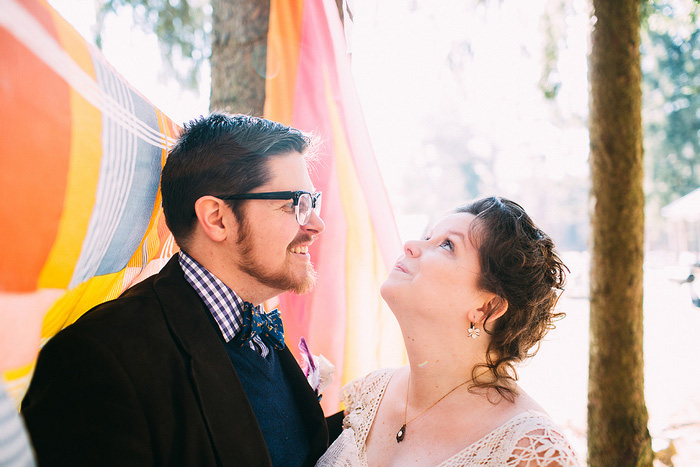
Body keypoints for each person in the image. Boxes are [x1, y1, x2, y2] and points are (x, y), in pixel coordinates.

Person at [22, 113, 342, 466]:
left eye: (313, 202)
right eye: (295, 204)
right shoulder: (95, 362)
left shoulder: (260, 332)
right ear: (217, 218)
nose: (316, 223)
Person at [317, 196, 579, 466]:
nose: (409, 246)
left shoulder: (531, 449)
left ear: (486, 307)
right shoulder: (370, 393)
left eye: (446, 245)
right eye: (427, 236)